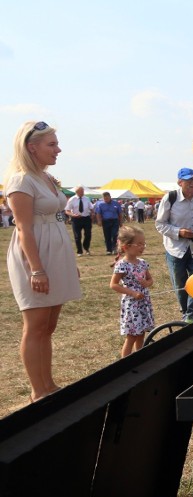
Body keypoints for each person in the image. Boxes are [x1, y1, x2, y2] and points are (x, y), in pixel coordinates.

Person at [4, 120, 82, 402]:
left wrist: (64, 262)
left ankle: (49, 385)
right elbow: (24, 228)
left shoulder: (46, 178)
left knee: (48, 326)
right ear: (31, 147)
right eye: (52, 145)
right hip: (34, 257)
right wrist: (36, 269)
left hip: (55, 253)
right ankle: (38, 392)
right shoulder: (20, 180)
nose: (58, 150)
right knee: (35, 325)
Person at [155, 168, 193, 322]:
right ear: (180, 182)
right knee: (180, 282)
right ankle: (185, 313)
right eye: (189, 180)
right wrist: (179, 232)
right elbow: (160, 224)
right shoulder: (170, 198)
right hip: (175, 249)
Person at [110, 225, 154, 357]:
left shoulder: (142, 263)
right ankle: (125, 364)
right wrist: (132, 293)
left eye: (143, 244)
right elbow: (113, 285)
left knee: (141, 334)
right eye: (139, 244)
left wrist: (147, 283)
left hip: (143, 303)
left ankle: (138, 358)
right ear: (126, 247)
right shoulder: (122, 265)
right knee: (132, 336)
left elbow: (150, 279)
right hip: (132, 306)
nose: (142, 247)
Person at [64, 185, 94, 256]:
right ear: (77, 192)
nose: (82, 192)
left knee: (88, 234)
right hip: (76, 219)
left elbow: (91, 208)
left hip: (86, 218)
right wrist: (73, 215)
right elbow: (67, 211)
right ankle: (79, 251)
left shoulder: (87, 199)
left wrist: (92, 213)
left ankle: (86, 248)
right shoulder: (72, 199)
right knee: (77, 236)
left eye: (83, 191)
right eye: (81, 191)